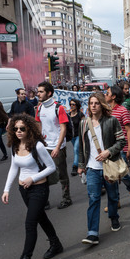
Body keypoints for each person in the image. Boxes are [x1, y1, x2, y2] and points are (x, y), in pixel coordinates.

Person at [2, 114, 63, 259]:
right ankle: (55, 243)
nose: (18, 131)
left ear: (29, 128)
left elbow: (51, 167)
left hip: (39, 189)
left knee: (30, 223)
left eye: (22, 128)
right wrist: (6, 189)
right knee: (41, 217)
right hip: (24, 190)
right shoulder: (15, 145)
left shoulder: (37, 146)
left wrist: (32, 178)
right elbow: (13, 168)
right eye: (15, 129)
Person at [78, 93, 126, 245]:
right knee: (94, 199)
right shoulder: (84, 123)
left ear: (102, 105)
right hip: (92, 168)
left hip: (109, 166)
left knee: (112, 196)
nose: (93, 106)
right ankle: (92, 233)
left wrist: (108, 151)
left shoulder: (111, 121)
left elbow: (121, 141)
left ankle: (114, 217)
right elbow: (81, 146)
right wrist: (81, 165)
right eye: (91, 103)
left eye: (96, 103)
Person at [35, 81, 72, 209]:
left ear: (49, 93)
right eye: (38, 91)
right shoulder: (39, 108)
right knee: (44, 175)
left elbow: (63, 129)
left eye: (41, 92)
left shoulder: (59, 108)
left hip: (57, 147)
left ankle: (66, 198)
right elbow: (39, 126)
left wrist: (57, 147)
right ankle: (45, 200)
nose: (38, 94)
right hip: (44, 147)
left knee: (61, 174)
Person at [105, 85, 130, 207]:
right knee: (110, 176)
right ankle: (115, 201)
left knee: (121, 174)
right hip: (108, 149)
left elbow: (129, 130)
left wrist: (129, 148)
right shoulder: (105, 111)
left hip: (121, 148)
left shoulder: (123, 110)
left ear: (113, 97)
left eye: (107, 93)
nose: (105, 95)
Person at [69, 99, 85, 176]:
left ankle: (74, 166)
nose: (72, 106)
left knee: (76, 150)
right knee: (77, 151)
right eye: (71, 104)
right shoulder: (68, 115)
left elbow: (84, 125)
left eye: (73, 104)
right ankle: (81, 163)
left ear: (77, 105)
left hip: (79, 135)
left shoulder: (80, 114)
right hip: (72, 136)